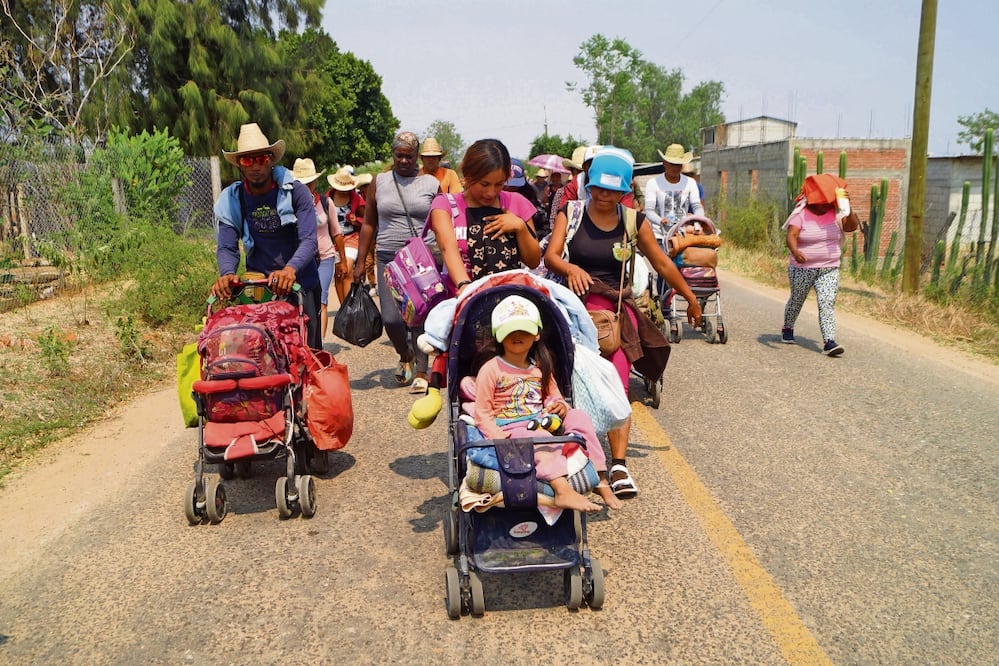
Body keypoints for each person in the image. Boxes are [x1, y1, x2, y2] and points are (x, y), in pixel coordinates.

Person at [544, 147, 703, 499]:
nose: (603, 196)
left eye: (612, 191)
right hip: (573, 311)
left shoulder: (634, 221)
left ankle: (617, 465)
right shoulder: (571, 214)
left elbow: (662, 264)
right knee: (572, 383)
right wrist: (570, 268)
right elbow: (551, 255)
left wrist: (690, 298)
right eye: (598, 188)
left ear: (625, 192)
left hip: (615, 316)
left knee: (617, 384)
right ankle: (578, 453)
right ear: (588, 185)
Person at [474, 295, 622, 511]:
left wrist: (560, 407)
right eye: (510, 330)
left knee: (579, 415)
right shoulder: (491, 369)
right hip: (511, 427)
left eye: (524, 330)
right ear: (498, 335)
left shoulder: (540, 367)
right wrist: (499, 438)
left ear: (536, 335)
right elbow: (482, 412)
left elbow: (554, 397)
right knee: (538, 438)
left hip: (542, 419)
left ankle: (599, 476)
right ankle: (562, 489)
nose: (517, 335)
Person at [212, 122, 322, 349]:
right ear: (240, 165)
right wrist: (227, 274)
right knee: (262, 353)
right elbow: (227, 246)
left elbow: (309, 240)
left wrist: (290, 270)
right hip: (260, 288)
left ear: (271, 159)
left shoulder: (296, 191)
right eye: (247, 160)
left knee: (308, 355)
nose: (255, 166)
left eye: (260, 159)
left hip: (301, 283)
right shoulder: (233, 198)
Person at [353, 131, 441, 392]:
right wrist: (360, 262)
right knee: (391, 318)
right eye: (399, 155)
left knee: (418, 316)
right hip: (388, 257)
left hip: (421, 259)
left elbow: (440, 220)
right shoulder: (379, 182)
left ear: (417, 158)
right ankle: (406, 354)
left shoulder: (430, 184)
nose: (404, 161)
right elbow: (369, 223)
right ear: (393, 154)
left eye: (409, 156)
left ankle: (422, 372)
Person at [429, 139, 542, 293]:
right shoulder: (445, 205)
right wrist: (464, 286)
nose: (491, 192)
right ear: (468, 175)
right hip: (460, 299)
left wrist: (520, 227)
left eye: (499, 184)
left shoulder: (516, 203)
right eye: (484, 184)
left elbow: (533, 261)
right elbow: (448, 248)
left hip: (510, 302)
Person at [782, 173, 859, 356]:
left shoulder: (837, 213)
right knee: (797, 299)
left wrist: (848, 208)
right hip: (802, 268)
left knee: (827, 302)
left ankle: (829, 342)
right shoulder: (801, 214)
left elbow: (851, 227)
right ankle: (787, 327)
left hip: (829, 267)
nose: (825, 204)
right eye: (822, 201)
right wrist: (795, 251)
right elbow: (791, 235)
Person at [292, 158, 346, 342]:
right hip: (300, 260)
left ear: (315, 181)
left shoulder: (325, 202)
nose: (306, 187)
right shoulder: (289, 204)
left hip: (324, 257)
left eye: (309, 182)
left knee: (321, 300)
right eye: (302, 183)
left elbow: (337, 233)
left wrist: (343, 262)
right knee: (302, 302)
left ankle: (318, 346)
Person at [643, 143, 705, 243]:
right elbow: (649, 210)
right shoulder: (653, 183)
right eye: (672, 164)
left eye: (678, 164)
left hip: (683, 236)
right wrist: (660, 221)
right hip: (659, 236)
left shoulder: (690, 183)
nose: (675, 168)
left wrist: (697, 222)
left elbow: (697, 206)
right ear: (664, 163)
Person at [327, 167, 366, 305]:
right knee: (338, 273)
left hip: (351, 238)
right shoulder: (328, 198)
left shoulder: (356, 198)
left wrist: (357, 220)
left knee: (347, 269)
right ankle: (344, 306)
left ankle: (350, 305)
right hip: (334, 241)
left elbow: (367, 219)